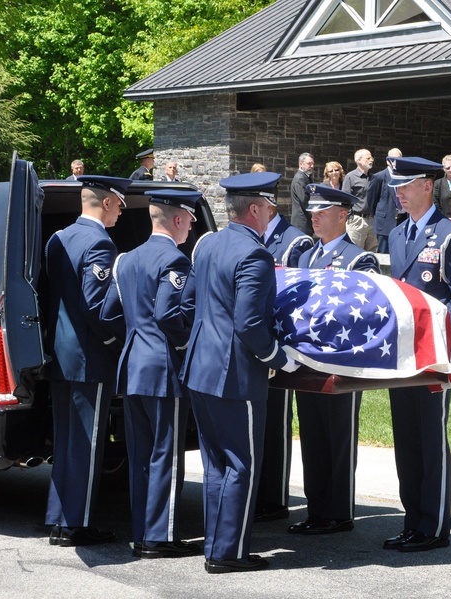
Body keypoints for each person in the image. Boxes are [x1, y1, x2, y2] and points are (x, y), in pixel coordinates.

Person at [180, 171, 300, 573]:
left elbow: (189, 303)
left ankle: (217, 546)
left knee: (217, 463)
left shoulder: (208, 245)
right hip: (235, 376)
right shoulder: (256, 255)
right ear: (254, 209)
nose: (272, 213)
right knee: (241, 464)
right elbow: (249, 323)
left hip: (200, 369)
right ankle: (229, 553)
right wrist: (278, 358)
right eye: (269, 207)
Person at [384, 156, 451, 552]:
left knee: (429, 437)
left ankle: (434, 526)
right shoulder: (397, 234)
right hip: (401, 356)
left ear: (427, 185)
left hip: (434, 355)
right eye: (396, 188)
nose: (399, 194)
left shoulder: (450, 236)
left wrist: (433, 335)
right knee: (406, 439)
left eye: (405, 186)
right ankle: (412, 522)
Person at [102, 189, 201, 559]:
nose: (191, 226)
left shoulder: (126, 260)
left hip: (132, 366)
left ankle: (144, 531)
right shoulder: (176, 261)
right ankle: (161, 537)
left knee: (142, 454)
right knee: (166, 455)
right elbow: (169, 315)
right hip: (162, 368)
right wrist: (188, 346)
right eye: (189, 219)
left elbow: (109, 312)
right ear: (177, 220)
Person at [286, 184, 380, 536]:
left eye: (322, 212)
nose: (314, 217)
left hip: (340, 363)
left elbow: (370, 309)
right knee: (311, 435)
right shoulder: (307, 256)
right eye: (312, 211)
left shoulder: (359, 259)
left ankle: (338, 511)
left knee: (338, 436)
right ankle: (316, 509)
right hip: (307, 360)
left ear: (343, 215)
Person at [44, 175, 132, 547]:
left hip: (61, 353)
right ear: (108, 202)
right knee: (86, 442)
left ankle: (60, 518)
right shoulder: (99, 243)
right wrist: (118, 341)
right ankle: (75, 524)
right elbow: (97, 307)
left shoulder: (59, 237)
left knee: (66, 440)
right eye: (120, 206)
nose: (121, 213)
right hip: (87, 356)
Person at [255, 195, 314, 522]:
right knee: (260, 424)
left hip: (280, 346)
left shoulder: (295, 242)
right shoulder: (254, 236)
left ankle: (273, 498)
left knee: (276, 422)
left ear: (269, 207)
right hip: (256, 345)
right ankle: (259, 493)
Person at [366, 147, 404, 252]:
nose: (396, 162)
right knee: (384, 254)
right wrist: (379, 215)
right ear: (387, 161)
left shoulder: (404, 177)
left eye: (398, 159)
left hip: (402, 222)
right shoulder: (379, 177)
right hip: (385, 223)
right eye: (393, 159)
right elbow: (372, 200)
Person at [342, 149, 377, 251]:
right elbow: (345, 199)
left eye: (372, 158)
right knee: (354, 252)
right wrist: (350, 217)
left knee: (371, 254)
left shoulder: (373, 178)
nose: (371, 160)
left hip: (371, 221)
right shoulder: (351, 177)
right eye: (368, 158)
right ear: (359, 160)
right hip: (357, 221)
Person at [290, 152, 315, 236]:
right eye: (309, 163)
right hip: (301, 223)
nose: (311, 166)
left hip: (305, 223)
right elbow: (304, 200)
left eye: (312, 164)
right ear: (301, 164)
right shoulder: (300, 179)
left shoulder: (306, 178)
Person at [432, 154, 451, 219]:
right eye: (448, 168)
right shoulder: (438, 183)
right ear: (443, 169)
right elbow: (435, 202)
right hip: (444, 219)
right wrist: (444, 217)